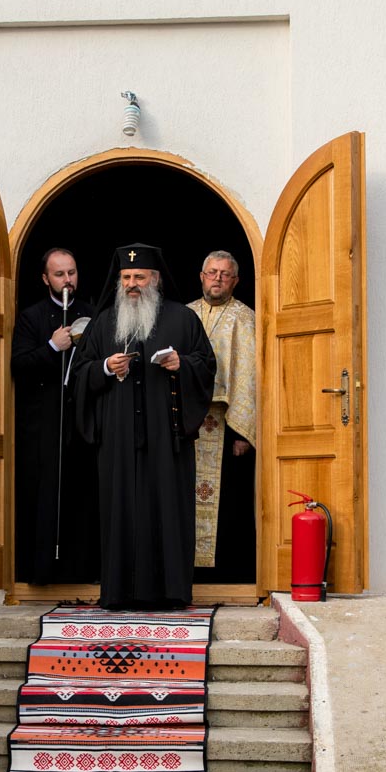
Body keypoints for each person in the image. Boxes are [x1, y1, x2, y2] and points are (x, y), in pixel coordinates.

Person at [71, 243, 217, 610]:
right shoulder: (105, 322)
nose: (132, 284)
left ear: (155, 279)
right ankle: (118, 592)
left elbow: (206, 365)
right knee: (120, 511)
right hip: (117, 441)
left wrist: (181, 363)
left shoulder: (183, 319)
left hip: (167, 440)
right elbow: (80, 375)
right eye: (126, 277)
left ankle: (171, 592)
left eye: (139, 277)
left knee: (166, 510)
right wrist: (105, 368)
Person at [10, 247, 100, 584]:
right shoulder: (31, 317)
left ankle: (82, 570)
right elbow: (18, 364)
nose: (67, 281)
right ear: (46, 278)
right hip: (43, 423)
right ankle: (42, 572)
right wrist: (52, 347)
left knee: (82, 494)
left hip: (81, 419)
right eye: (60, 274)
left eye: (72, 273)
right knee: (44, 494)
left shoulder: (93, 313)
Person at [187, 250, 258, 583]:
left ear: (236, 281)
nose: (217, 278)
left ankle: (225, 576)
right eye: (212, 272)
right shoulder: (184, 315)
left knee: (228, 503)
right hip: (188, 422)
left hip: (226, 422)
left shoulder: (245, 318)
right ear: (202, 276)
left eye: (225, 274)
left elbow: (249, 375)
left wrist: (243, 432)